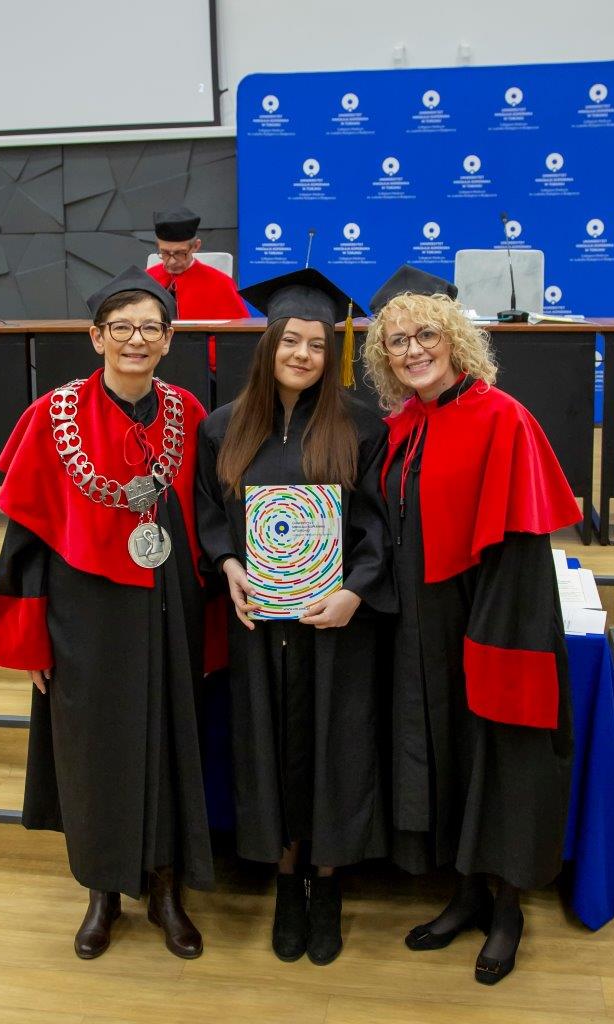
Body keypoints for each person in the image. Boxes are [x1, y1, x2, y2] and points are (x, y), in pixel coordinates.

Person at [0, 266, 214, 961]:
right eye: (122, 328)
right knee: (91, 750)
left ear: (169, 339)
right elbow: (24, 541)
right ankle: (101, 892)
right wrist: (29, 641)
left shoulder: (188, 413)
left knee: (171, 739)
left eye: (150, 328)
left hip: (169, 603)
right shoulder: (51, 416)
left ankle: (167, 889)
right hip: (82, 611)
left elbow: (210, 515)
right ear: (96, 337)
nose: (136, 340)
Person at [363, 264, 578, 985]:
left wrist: (490, 632)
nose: (413, 350)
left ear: (455, 338)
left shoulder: (502, 417)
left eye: (426, 334)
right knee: (449, 755)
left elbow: (519, 549)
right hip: (422, 624)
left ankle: (508, 909)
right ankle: (465, 893)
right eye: (397, 341)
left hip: (494, 618)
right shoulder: (403, 426)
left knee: (502, 757)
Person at [195, 268, 395, 966]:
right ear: (269, 343)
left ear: (330, 352)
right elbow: (210, 515)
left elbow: (381, 525)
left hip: (335, 625)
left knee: (336, 748)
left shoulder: (362, 426)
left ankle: (328, 882)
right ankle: (286, 881)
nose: (303, 354)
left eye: (316, 344)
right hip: (260, 627)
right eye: (291, 340)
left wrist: (355, 592)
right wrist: (228, 564)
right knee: (268, 746)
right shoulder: (224, 427)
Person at [147, 205, 249, 321]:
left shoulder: (221, 284)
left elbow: (240, 329)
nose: (172, 261)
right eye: (165, 253)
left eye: (180, 253)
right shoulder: (146, 280)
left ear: (196, 246)